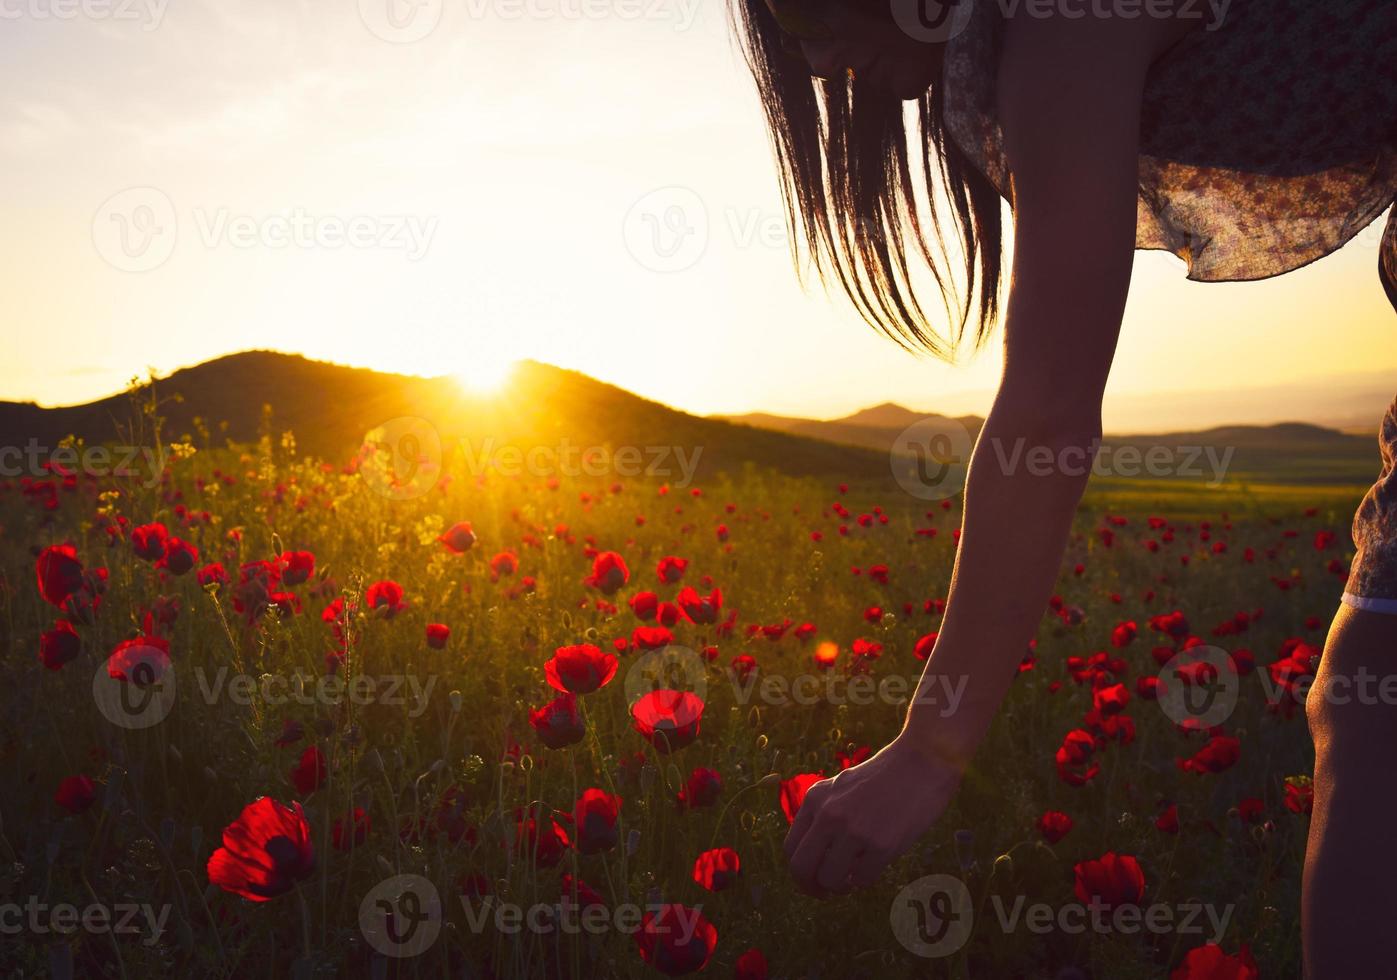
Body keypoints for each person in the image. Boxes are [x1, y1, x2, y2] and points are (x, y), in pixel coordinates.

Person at [732, 1, 1397, 975]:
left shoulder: (1057, 24)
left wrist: (928, 746)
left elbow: (1046, 409)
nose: (819, 64)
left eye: (805, 17)